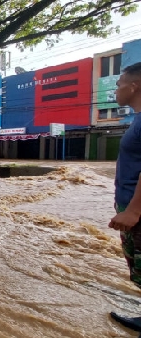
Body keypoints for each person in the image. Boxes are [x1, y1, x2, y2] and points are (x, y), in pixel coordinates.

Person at [107, 62, 141, 331]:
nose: (115, 90)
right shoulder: (137, 120)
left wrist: (133, 211)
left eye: (119, 84)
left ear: (134, 86)